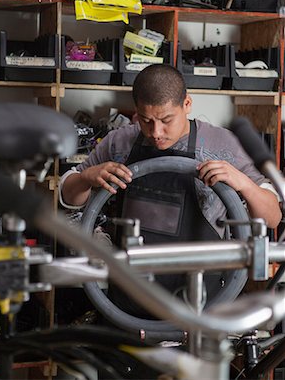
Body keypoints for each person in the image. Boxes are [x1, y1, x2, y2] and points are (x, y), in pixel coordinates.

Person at [59, 64, 281, 314]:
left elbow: (272, 217)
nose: (156, 133)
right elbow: (68, 198)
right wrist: (86, 177)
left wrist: (243, 182)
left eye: (166, 120)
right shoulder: (119, 142)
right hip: (130, 293)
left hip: (202, 298)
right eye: (146, 120)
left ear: (187, 104)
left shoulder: (223, 144)